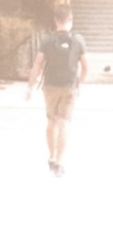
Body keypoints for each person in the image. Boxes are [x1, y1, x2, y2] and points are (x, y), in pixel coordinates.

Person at [32, 9, 90, 173]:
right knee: (64, 123)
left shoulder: (47, 40)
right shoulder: (78, 41)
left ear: (55, 20)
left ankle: (51, 155)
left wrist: (30, 84)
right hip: (69, 86)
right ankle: (59, 161)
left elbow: (38, 64)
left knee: (51, 122)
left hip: (50, 86)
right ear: (70, 20)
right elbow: (86, 67)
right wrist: (79, 83)